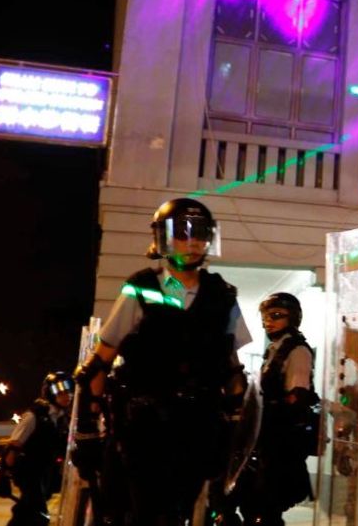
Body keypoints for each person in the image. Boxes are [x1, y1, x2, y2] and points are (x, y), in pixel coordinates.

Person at [74, 198, 252, 526]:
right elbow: (99, 364)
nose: (193, 241)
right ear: (163, 239)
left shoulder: (221, 295)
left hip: (199, 427)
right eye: (183, 233)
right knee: (144, 513)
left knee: (183, 512)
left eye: (200, 233)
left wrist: (237, 430)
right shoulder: (141, 287)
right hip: (144, 429)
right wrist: (87, 432)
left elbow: (232, 368)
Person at [232, 292, 316, 526]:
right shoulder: (275, 348)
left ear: (293, 318)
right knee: (251, 503)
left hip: (281, 442)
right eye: (266, 316)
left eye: (277, 315)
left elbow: (297, 396)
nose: (269, 321)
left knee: (265, 507)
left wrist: (271, 409)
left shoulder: (297, 350)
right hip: (265, 437)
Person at [0, 371, 74, 526]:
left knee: (25, 514)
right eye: (61, 392)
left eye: (69, 391)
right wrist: (3, 478)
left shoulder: (62, 418)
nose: (67, 396)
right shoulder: (33, 416)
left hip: (45, 473)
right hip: (29, 472)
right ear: (50, 394)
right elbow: (13, 448)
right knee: (39, 515)